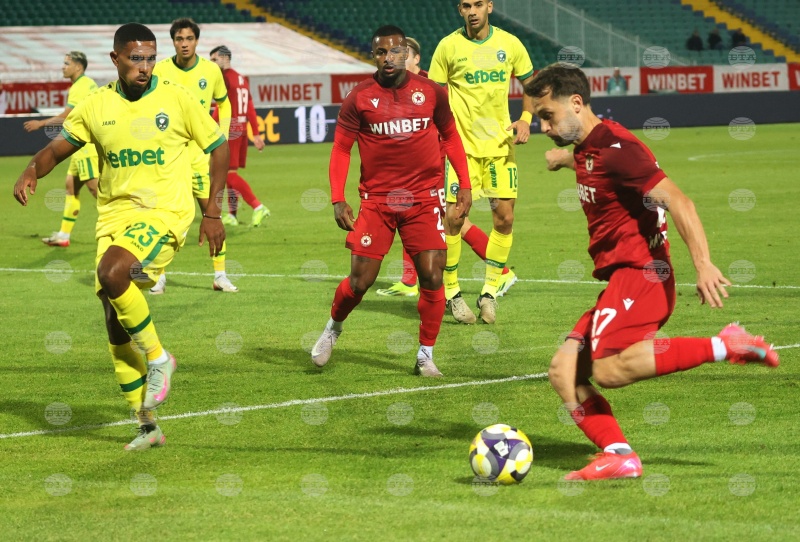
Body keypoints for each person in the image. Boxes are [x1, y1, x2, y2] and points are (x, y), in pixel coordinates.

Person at [526, 64, 779, 481]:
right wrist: (564, 159)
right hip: (623, 276)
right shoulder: (590, 146)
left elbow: (680, 201)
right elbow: (593, 164)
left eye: (548, 116)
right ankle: (619, 455)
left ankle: (726, 345)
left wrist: (703, 265)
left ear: (576, 103)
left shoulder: (618, 149)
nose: (544, 127)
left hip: (642, 274)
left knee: (607, 370)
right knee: (563, 370)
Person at [13, 23, 230, 451]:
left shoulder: (176, 98)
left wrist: (212, 211)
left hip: (165, 212)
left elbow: (218, 146)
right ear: (116, 59)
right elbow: (57, 149)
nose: (144, 66)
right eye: (135, 59)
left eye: (150, 58)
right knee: (114, 322)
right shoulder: (96, 105)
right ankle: (147, 425)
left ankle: (160, 358)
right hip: (113, 217)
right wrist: (31, 169)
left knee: (113, 272)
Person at [310, 25, 472, 377]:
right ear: (374, 56)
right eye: (381, 52)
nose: (388, 57)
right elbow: (341, 149)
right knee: (360, 282)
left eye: (395, 51)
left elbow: (450, 136)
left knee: (432, 275)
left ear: (406, 53)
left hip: (423, 199)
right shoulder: (359, 98)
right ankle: (333, 328)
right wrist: (337, 198)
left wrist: (465, 185)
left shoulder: (431, 92)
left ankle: (425, 354)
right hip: (377, 202)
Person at [376, 34, 516, 299]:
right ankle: (410, 280)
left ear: (416, 59)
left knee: (446, 218)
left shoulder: (431, 85)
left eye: (404, 55)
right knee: (417, 213)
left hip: (439, 160)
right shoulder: (400, 86)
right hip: (418, 162)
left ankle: (503, 273)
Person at [428, 0, 533, 324]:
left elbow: (531, 83)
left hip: (500, 146)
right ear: (460, 10)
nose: (472, 11)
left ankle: (489, 293)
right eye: (465, 6)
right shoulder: (448, 46)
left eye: (477, 4)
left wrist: (526, 118)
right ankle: (452, 293)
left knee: (504, 218)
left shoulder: (510, 44)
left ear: (490, 6)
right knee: (454, 217)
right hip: (460, 149)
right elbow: (434, 95)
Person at [150, 18, 237, 293]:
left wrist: (221, 137)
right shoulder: (160, 70)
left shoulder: (210, 70)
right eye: (179, 39)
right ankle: (159, 276)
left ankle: (220, 275)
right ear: (173, 42)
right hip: (169, 159)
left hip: (199, 158)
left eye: (189, 39)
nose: (184, 44)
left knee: (213, 213)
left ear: (196, 41)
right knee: (163, 218)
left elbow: (224, 103)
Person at [24, 51, 98, 247]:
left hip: (84, 146)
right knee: (71, 187)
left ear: (78, 67)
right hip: (82, 145)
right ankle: (64, 235)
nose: (63, 67)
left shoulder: (80, 86)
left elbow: (67, 115)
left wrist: (40, 123)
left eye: (67, 63)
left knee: (97, 192)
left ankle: (125, 226)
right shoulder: (87, 83)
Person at [209, 44, 270, 227]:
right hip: (241, 131)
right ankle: (233, 215)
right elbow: (250, 107)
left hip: (230, 131)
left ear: (225, 58)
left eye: (214, 59)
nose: (212, 63)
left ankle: (258, 207)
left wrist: (208, 126)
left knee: (226, 174)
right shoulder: (241, 78)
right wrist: (255, 133)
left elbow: (221, 107)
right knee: (230, 173)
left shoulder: (224, 78)